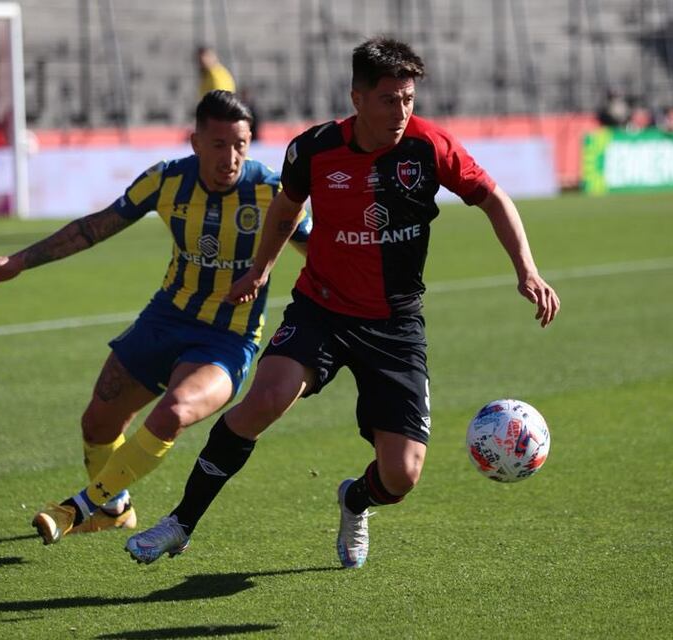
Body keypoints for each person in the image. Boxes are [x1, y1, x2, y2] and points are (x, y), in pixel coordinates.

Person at [124, 37, 559, 569]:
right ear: (358, 98)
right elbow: (285, 209)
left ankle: (355, 500)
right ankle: (181, 522)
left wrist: (527, 270)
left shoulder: (430, 147)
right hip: (322, 309)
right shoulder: (314, 149)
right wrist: (260, 270)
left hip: (395, 323)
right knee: (265, 400)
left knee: (401, 476)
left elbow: (492, 197)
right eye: (388, 99)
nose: (401, 111)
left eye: (408, 98)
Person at [0, 90, 310, 545]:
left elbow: (316, 252)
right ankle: (113, 507)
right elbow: (95, 227)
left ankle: (79, 506)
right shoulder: (166, 181)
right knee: (98, 423)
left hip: (228, 336)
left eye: (241, 144)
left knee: (175, 411)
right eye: (220, 144)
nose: (232, 156)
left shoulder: (271, 192)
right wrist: (18, 262)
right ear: (195, 142)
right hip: (165, 319)